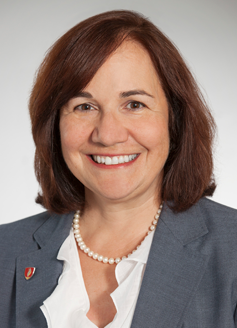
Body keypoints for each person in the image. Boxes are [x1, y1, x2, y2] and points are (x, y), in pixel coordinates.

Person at [0, 9, 237, 328]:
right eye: (84, 106)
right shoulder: (5, 251)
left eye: (135, 104)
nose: (108, 134)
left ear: (175, 119)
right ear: (54, 125)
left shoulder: (232, 250)